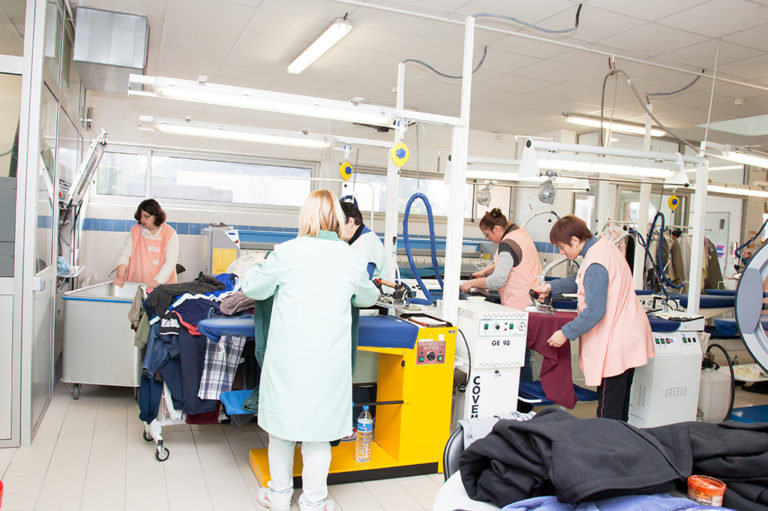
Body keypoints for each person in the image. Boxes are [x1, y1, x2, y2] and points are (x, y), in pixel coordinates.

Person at [242, 189, 379, 511]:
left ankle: (278, 496)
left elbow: (253, 288)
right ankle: (314, 501)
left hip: (287, 362)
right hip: (327, 363)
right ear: (336, 219)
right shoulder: (350, 257)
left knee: (282, 431)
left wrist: (257, 266)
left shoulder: (286, 252)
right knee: (318, 435)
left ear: (305, 217)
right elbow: (368, 298)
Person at [533, 215, 654, 421]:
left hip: (616, 342)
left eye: (562, 248)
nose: (562, 253)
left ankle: (605, 447)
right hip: (629, 337)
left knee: (609, 409)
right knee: (619, 402)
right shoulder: (603, 249)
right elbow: (580, 279)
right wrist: (552, 287)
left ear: (574, 240)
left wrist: (565, 333)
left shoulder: (596, 262)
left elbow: (595, 311)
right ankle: (620, 444)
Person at [460, 208, 542, 383]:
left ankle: (521, 402)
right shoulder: (519, 235)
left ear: (497, 229)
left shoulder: (507, 243)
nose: (487, 239)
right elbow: (504, 262)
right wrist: (483, 272)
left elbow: (497, 280)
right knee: (522, 355)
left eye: (487, 235)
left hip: (518, 306)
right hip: (529, 303)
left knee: (519, 356)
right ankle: (521, 401)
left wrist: (471, 283)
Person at [113, 198, 178, 289]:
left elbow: (170, 262)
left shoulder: (170, 233)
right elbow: (125, 255)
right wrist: (120, 276)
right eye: (141, 216)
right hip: (137, 285)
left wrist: (157, 280)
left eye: (146, 216)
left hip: (163, 288)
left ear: (156, 216)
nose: (142, 220)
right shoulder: (135, 231)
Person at [339, 200, 389, 280]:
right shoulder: (359, 239)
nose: (335, 230)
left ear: (350, 221)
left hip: (375, 292)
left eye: (337, 224)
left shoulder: (365, 243)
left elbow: (362, 284)